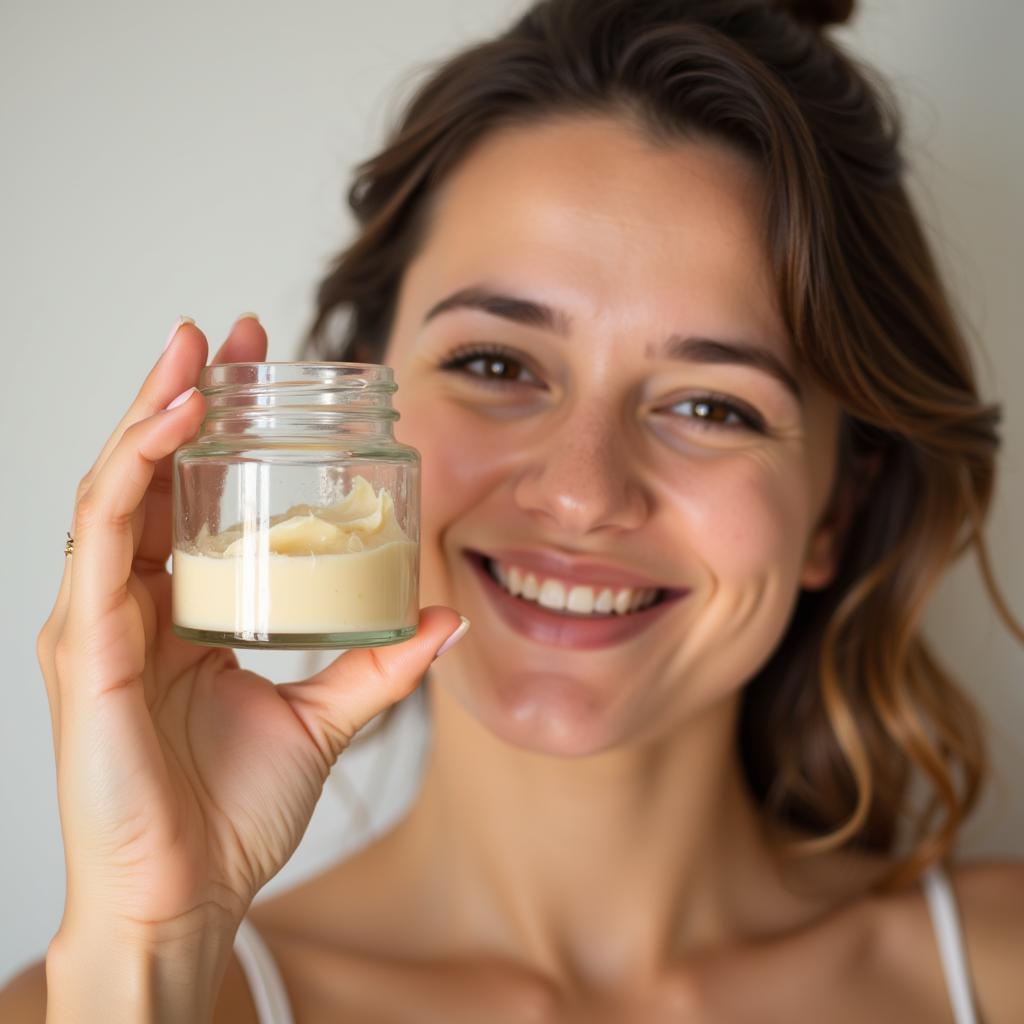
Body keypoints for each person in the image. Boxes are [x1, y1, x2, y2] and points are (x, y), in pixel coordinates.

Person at [4, 0, 1023, 1019]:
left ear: (839, 509)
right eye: (494, 363)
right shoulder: (101, 995)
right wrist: (151, 944)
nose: (580, 492)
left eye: (712, 406)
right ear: (360, 426)